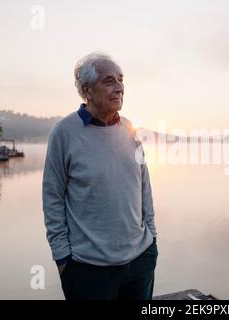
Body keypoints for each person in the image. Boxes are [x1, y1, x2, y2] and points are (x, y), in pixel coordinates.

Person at [42, 52, 158, 300]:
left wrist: (152, 237)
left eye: (121, 79)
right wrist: (63, 258)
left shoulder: (130, 129)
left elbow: (144, 186)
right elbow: (52, 199)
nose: (120, 88)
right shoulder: (64, 133)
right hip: (87, 269)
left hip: (141, 260)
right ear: (87, 90)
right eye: (109, 81)